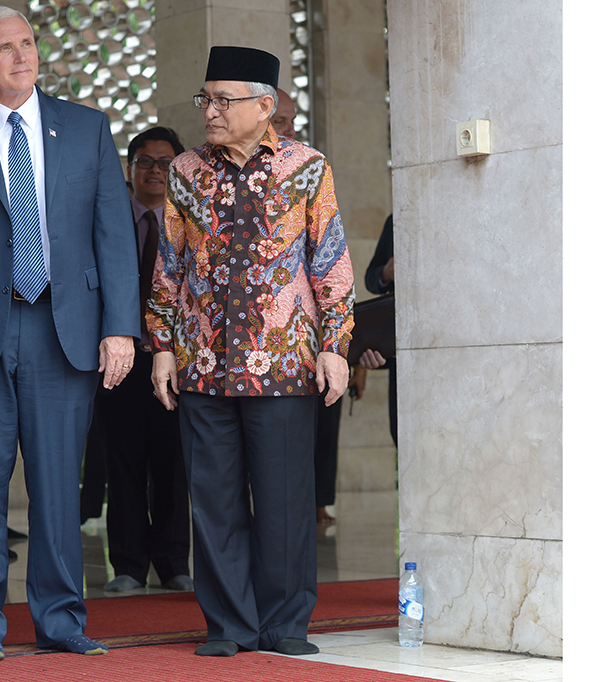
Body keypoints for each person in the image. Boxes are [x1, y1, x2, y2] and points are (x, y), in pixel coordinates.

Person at [0, 5, 139, 662]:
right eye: (5, 48)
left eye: (28, 43)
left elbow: (115, 238)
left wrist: (121, 330)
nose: (22, 56)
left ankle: (62, 620)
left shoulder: (87, 128)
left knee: (55, 488)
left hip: (63, 332)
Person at [148, 46, 355, 658]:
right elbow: (170, 264)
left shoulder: (307, 167)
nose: (210, 111)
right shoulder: (186, 171)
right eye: (205, 99)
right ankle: (230, 626)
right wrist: (162, 347)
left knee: (287, 503)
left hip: (285, 362)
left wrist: (336, 347)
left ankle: (285, 624)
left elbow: (331, 262)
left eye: (223, 100)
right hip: (204, 364)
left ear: (265, 106)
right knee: (214, 505)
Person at [98, 127, 192, 594]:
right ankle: (129, 566)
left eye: (165, 163)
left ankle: (175, 563)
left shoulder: (191, 223)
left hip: (176, 360)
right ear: (130, 169)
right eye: (145, 162)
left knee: (175, 464)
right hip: (120, 361)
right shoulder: (109, 218)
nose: (155, 170)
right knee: (125, 463)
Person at [364, 214, 396, 445]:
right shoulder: (396, 221)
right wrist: (387, 272)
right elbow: (371, 278)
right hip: (400, 357)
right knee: (402, 434)